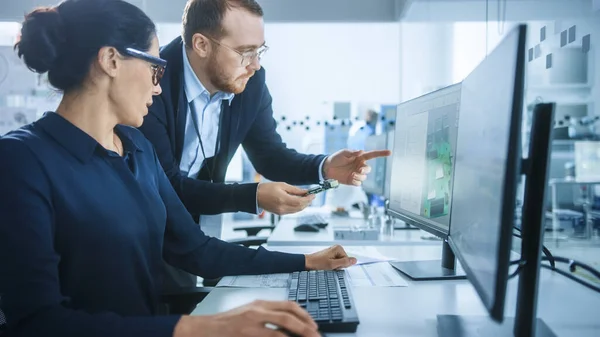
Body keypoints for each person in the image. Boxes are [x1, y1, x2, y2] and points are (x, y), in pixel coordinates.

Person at [0, 1, 356, 336]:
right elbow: (39, 322)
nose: (159, 87)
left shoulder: (136, 148)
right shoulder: (20, 161)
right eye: (154, 68)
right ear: (111, 60)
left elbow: (196, 250)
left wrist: (306, 262)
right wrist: (199, 328)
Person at [138, 0, 391, 222]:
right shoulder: (151, 85)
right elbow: (166, 186)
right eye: (246, 52)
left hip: (191, 226)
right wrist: (253, 196)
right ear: (202, 45)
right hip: (144, 224)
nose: (256, 65)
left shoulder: (251, 83)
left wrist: (323, 167)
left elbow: (269, 155)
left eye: (259, 50)